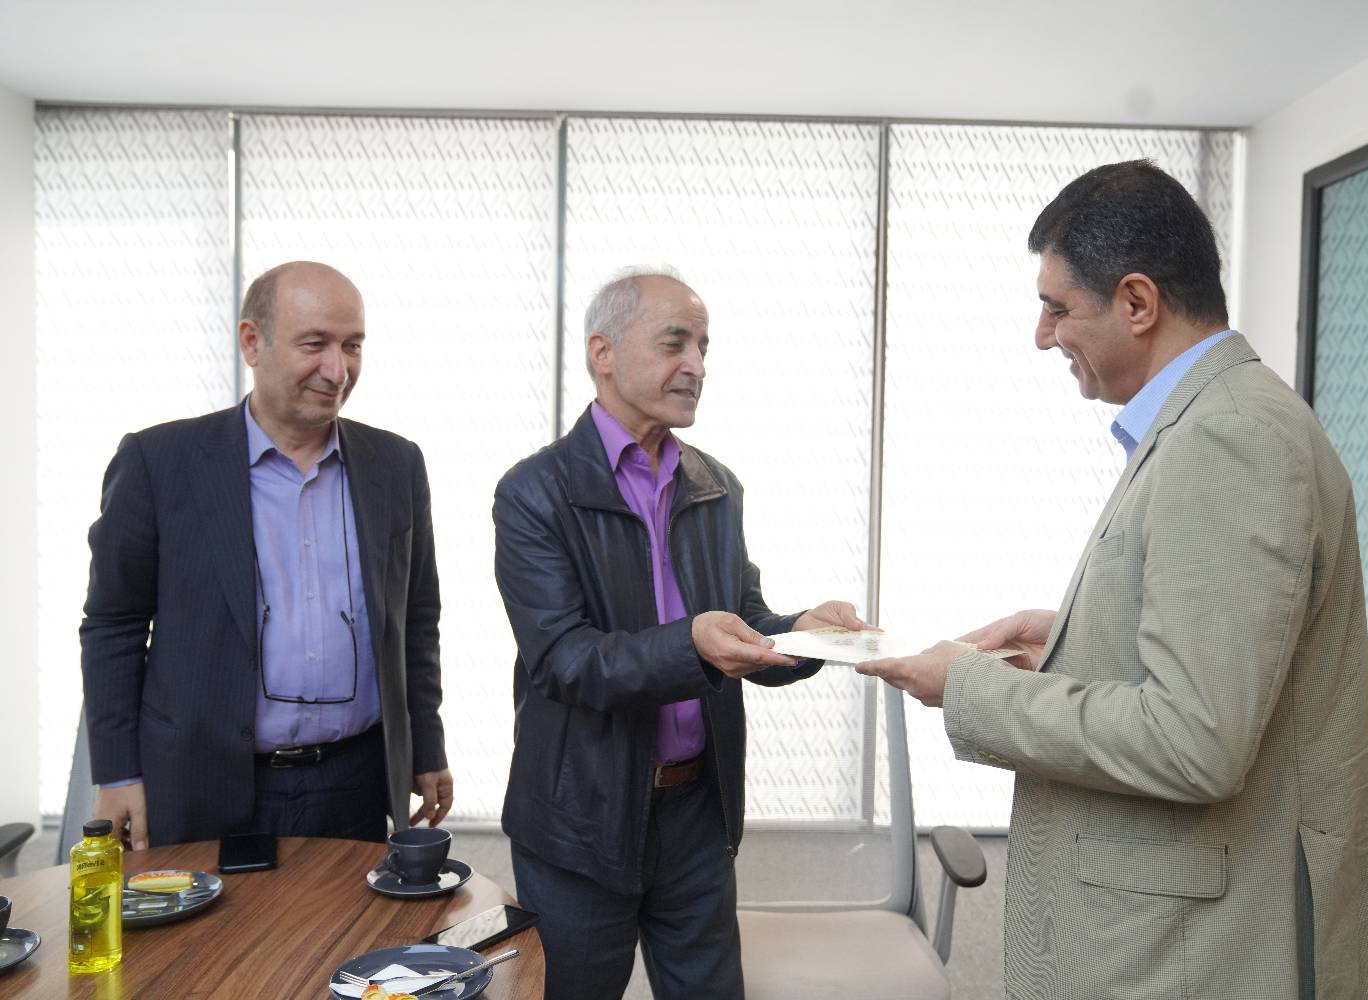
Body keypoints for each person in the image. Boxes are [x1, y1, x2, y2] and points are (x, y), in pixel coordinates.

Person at [857, 161, 1368, 1000]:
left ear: (1137, 302)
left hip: (1194, 953)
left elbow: (1196, 741)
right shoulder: (1219, 419)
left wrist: (969, 687)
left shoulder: (1229, 437)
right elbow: (1235, 657)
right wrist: (1076, 640)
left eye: (1058, 308)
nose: (1043, 336)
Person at [493, 267, 865, 1000]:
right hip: (582, 822)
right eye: (675, 343)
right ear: (603, 352)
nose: (696, 365)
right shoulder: (535, 492)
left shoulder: (716, 485)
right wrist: (691, 644)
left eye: (703, 346)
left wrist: (805, 635)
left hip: (697, 813)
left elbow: (743, 620)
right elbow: (565, 660)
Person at [82, 260, 454, 849]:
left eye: (352, 346)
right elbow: (113, 624)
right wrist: (118, 774)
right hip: (201, 783)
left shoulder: (396, 464)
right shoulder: (159, 462)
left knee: (351, 916)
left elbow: (416, 618)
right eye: (315, 344)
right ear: (252, 342)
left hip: (355, 784)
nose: (338, 370)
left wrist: (426, 745)